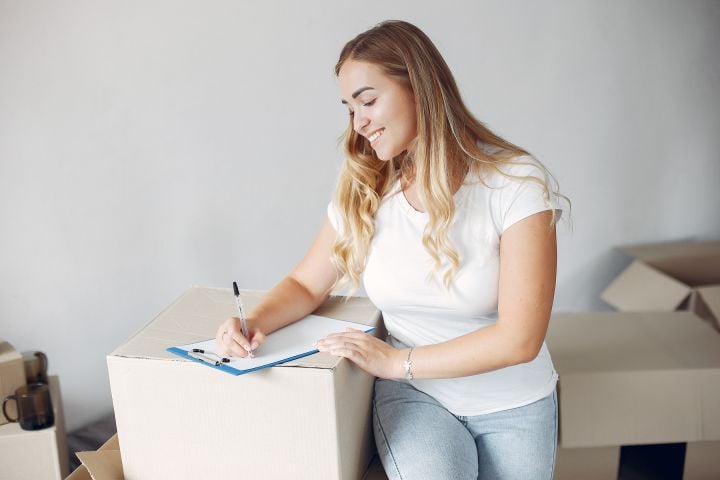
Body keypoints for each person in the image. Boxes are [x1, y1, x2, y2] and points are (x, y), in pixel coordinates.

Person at [216, 20, 568, 480]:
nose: (358, 122)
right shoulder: (367, 188)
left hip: (514, 402)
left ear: (419, 88)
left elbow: (520, 338)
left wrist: (396, 362)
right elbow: (305, 283)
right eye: (349, 108)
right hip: (417, 396)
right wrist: (252, 323)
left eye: (368, 100)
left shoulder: (514, 183)